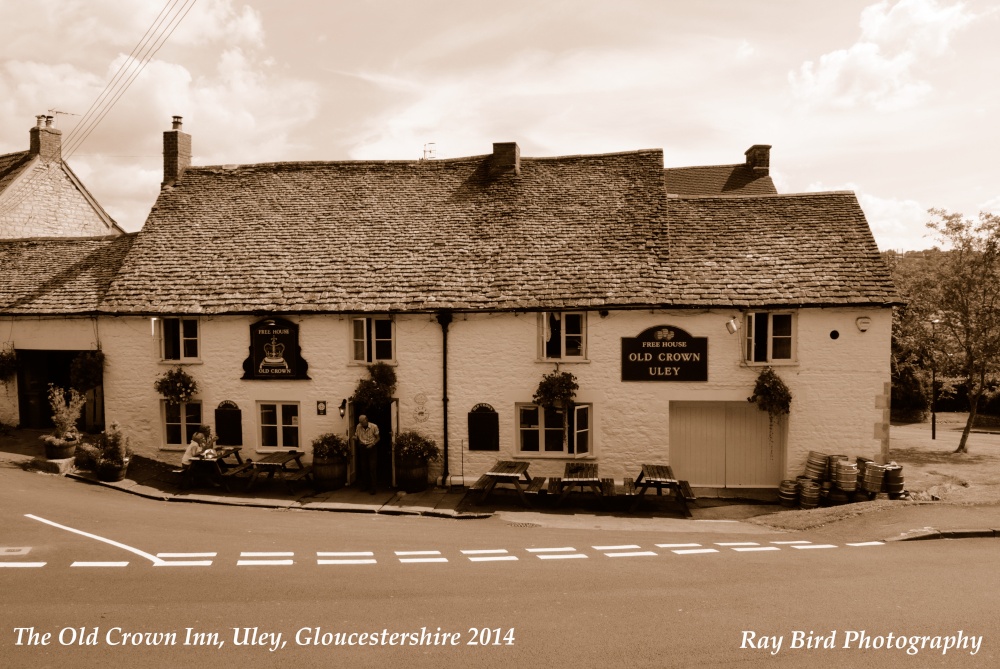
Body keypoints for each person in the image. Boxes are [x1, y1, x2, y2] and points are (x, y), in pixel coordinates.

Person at [355, 415, 380, 494]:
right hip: (362, 448)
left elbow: (378, 438)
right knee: (363, 468)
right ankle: (365, 486)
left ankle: (373, 488)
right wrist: (355, 438)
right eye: (360, 422)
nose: (361, 424)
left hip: (371, 448)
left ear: (366, 420)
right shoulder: (358, 426)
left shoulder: (373, 426)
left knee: (372, 468)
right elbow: (357, 436)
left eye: (362, 422)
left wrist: (372, 444)